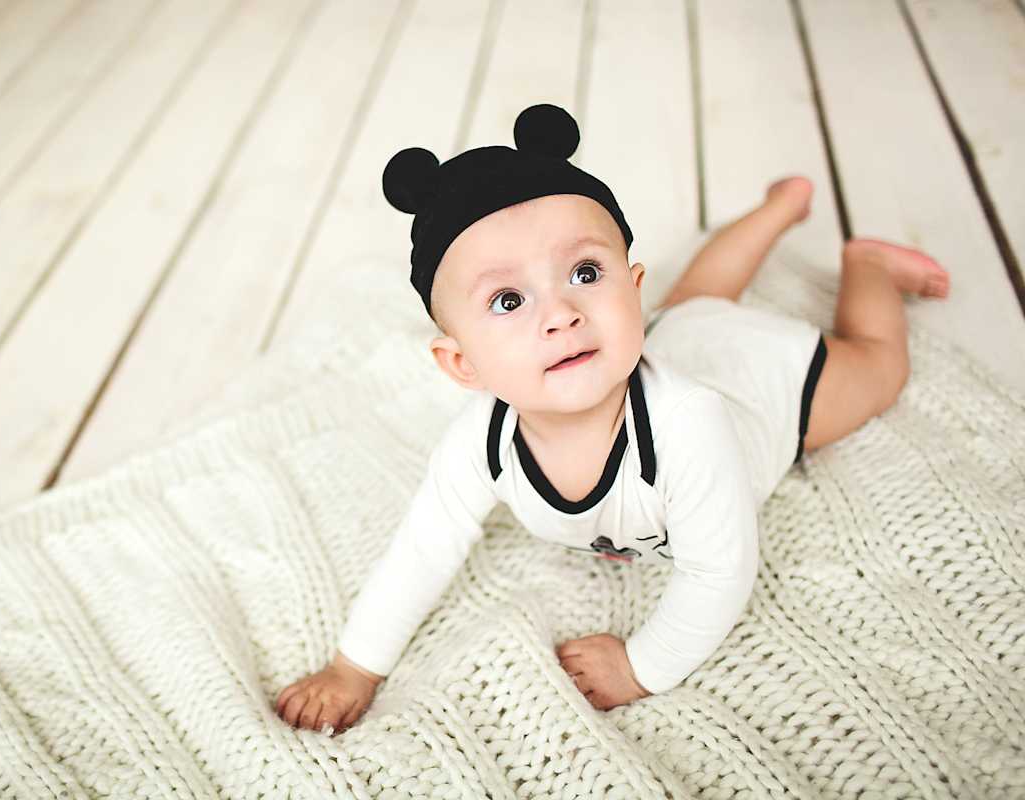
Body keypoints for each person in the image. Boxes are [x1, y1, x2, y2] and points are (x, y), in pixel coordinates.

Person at [274, 103, 950, 735]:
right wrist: (355, 665)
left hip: (763, 386)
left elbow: (720, 573)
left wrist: (641, 666)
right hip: (680, 334)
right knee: (695, 305)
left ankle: (867, 266)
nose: (561, 313)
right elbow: (422, 547)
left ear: (632, 287)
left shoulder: (689, 425)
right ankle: (778, 209)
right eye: (508, 301)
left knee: (876, 366)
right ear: (462, 364)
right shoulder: (480, 446)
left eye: (586, 273)